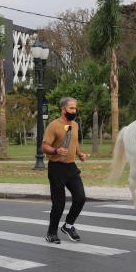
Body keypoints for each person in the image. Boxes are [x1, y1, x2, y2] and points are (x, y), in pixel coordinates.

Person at [41, 97, 88, 244]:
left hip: (71, 167)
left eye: (75, 108)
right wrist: (55, 150)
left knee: (80, 198)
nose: (75, 111)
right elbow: (44, 146)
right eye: (71, 108)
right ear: (63, 109)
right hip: (56, 168)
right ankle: (51, 233)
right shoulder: (54, 125)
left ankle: (68, 226)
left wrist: (79, 153)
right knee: (59, 204)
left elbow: (74, 141)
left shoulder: (74, 124)